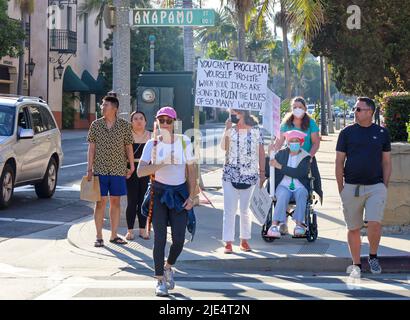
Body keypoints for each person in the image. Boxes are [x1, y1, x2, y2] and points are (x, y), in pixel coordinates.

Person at [137, 106, 197, 297]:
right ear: (156, 122)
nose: (164, 124)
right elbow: (140, 172)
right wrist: (163, 163)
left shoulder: (185, 141)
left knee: (179, 240)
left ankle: (168, 266)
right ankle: (160, 280)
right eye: (161, 120)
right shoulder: (152, 145)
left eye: (168, 121)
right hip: (159, 192)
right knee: (160, 239)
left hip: (179, 193)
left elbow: (192, 171)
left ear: (174, 123)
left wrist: (192, 196)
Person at [336, 97, 392, 278]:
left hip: (376, 186)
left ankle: (373, 256)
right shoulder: (346, 133)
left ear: (370, 112)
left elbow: (386, 162)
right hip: (351, 187)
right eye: (355, 109)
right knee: (353, 228)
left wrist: (384, 185)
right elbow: (339, 162)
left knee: (374, 223)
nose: (355, 112)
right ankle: (356, 264)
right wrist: (341, 188)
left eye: (358, 109)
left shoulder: (382, 133)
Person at [87, 96, 135, 247]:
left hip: (118, 169)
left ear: (114, 108)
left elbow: (128, 147)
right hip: (100, 169)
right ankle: (99, 236)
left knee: (116, 202)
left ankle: (114, 236)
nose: (102, 106)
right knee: (100, 202)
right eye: (103, 104)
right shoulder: (95, 125)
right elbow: (91, 148)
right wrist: (89, 168)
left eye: (105, 104)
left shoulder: (124, 126)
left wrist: (132, 166)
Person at [269, 96, 321, 235]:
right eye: (295, 107)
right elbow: (279, 141)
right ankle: (280, 223)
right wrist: (273, 152)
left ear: (305, 109)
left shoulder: (310, 123)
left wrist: (308, 157)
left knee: (301, 190)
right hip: (288, 157)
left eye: (300, 107)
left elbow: (316, 142)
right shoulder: (286, 123)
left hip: (305, 157)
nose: (297, 109)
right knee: (283, 191)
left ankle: (299, 224)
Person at [221, 109, 266, 254]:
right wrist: (227, 130)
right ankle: (228, 242)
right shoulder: (231, 129)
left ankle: (244, 240)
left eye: (235, 112)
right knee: (230, 210)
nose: (232, 114)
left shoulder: (256, 130)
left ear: (243, 112)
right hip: (230, 175)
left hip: (250, 175)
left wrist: (262, 172)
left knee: (245, 210)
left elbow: (261, 151)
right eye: (231, 112)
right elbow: (223, 147)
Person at [124, 111, 151, 241]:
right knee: (132, 201)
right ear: (131, 122)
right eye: (135, 119)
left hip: (146, 171)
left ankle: (142, 229)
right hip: (131, 171)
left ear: (145, 121)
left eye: (141, 118)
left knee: (143, 200)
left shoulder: (151, 136)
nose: (139, 121)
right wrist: (126, 169)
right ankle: (129, 230)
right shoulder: (127, 136)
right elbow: (121, 155)